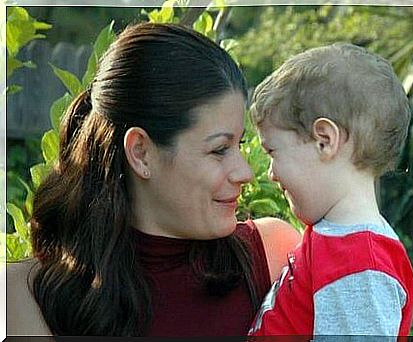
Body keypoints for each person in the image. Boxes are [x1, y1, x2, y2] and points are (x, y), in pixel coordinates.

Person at [6, 22, 301, 337]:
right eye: (218, 150)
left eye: (239, 145)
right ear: (141, 153)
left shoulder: (274, 255)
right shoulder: (22, 296)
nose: (245, 172)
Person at [247, 43, 413, 337]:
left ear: (324, 140)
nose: (271, 174)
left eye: (273, 151)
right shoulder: (336, 239)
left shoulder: (361, 267)